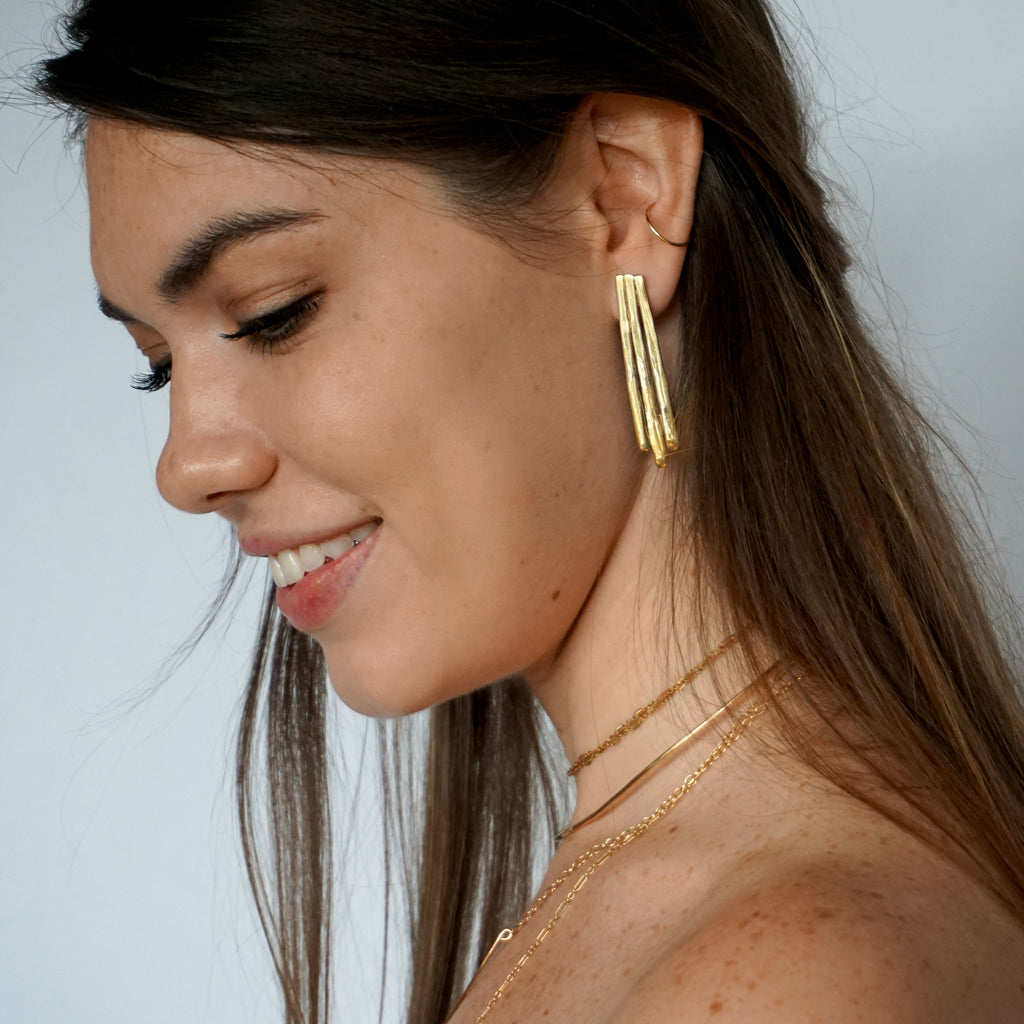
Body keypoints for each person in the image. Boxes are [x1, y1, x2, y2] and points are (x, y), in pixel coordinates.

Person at [34, 0, 1024, 1021]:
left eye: (272, 312)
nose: (189, 465)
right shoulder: (667, 889)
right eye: (159, 366)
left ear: (625, 199)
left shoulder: (797, 975)